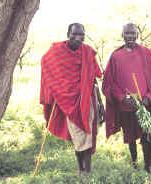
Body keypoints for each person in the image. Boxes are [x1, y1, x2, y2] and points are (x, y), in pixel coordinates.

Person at [102, 23, 151, 172]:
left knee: (146, 135)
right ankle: (134, 163)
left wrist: (148, 97)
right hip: (126, 105)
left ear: (137, 35)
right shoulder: (116, 56)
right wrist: (123, 98)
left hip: (144, 104)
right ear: (122, 35)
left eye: (133, 33)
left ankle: (147, 165)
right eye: (127, 34)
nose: (131, 37)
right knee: (130, 137)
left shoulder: (145, 53)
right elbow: (110, 83)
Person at [40, 23, 104, 176]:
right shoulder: (57, 52)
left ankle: (86, 172)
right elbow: (46, 65)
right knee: (77, 136)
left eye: (81, 35)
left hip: (87, 99)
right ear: (68, 33)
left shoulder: (87, 52)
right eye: (75, 34)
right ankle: (80, 168)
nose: (78, 38)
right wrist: (55, 90)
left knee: (87, 133)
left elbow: (94, 79)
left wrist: (101, 103)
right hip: (67, 101)